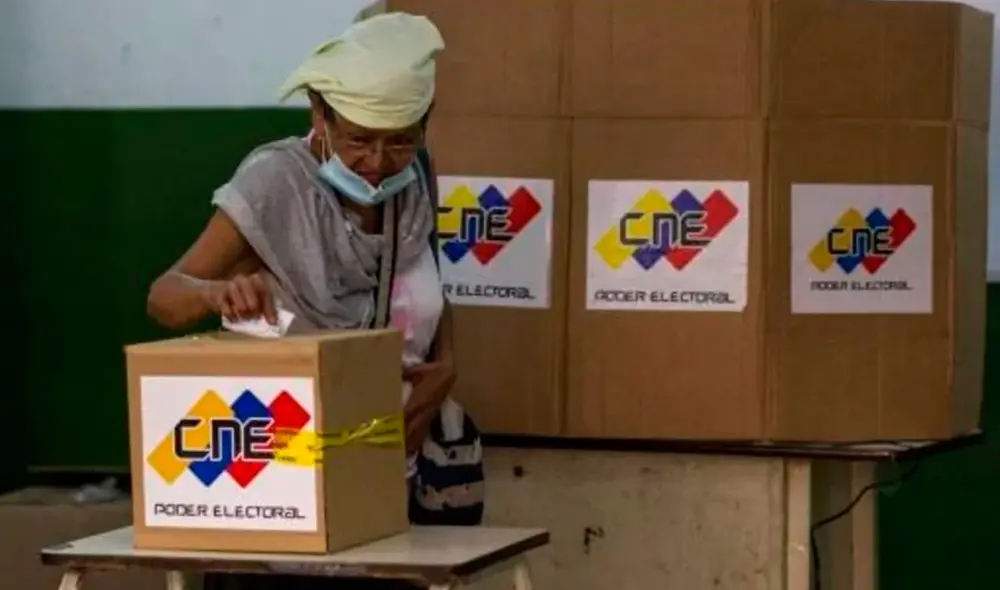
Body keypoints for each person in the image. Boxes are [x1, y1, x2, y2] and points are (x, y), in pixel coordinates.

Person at [145, 11, 484, 590]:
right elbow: (164, 296)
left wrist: (446, 366)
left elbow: (427, 285)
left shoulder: (416, 177)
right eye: (358, 140)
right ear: (319, 114)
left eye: (400, 140)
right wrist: (217, 292)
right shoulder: (276, 182)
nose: (378, 163)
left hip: (400, 477)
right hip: (288, 488)